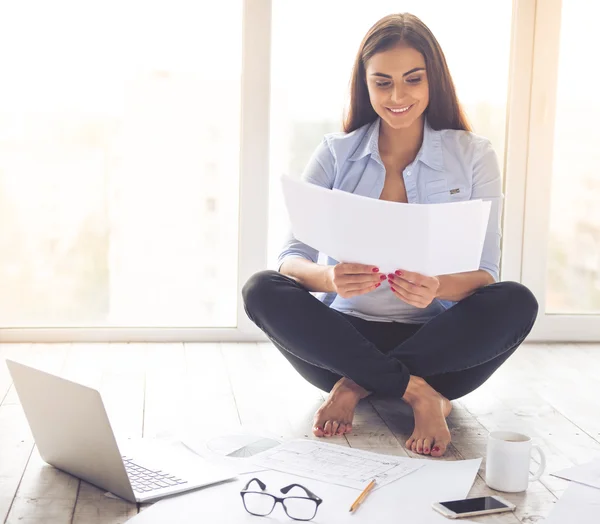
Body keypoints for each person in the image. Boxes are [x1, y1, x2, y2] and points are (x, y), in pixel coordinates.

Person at [242, 13, 538, 457]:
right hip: (342, 342)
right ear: (365, 86)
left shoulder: (475, 156)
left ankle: (358, 385)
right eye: (382, 83)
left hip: (439, 345)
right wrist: (329, 279)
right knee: (261, 288)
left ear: (431, 80)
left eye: (412, 80)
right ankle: (418, 393)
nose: (398, 96)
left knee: (517, 300)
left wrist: (439, 287)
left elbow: (486, 273)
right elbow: (290, 257)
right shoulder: (334, 154)